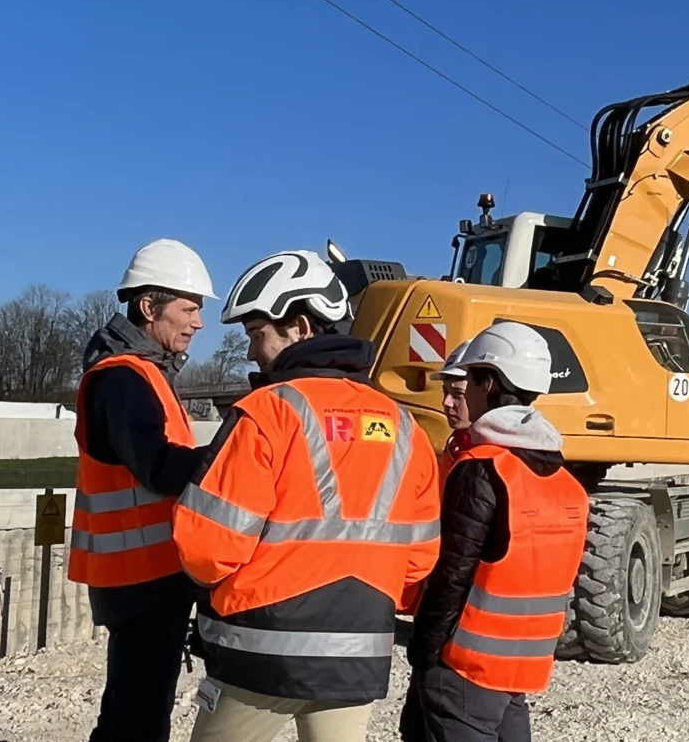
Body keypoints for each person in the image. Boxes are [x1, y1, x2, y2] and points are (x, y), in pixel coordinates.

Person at [174, 249, 442, 742]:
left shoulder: (268, 412)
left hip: (260, 652)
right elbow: (419, 560)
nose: (251, 352)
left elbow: (208, 548)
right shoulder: (403, 424)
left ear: (299, 327)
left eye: (257, 333)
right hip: (358, 653)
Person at [402, 322, 589, 742]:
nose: (455, 397)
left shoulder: (482, 469)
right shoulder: (565, 482)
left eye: (466, 381)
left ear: (488, 382)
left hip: (463, 669)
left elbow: (453, 574)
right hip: (520, 670)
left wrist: (424, 649)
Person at [69, 238, 217, 742]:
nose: (199, 322)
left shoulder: (143, 374)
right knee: (140, 714)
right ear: (149, 307)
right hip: (141, 577)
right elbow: (157, 467)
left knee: (133, 706)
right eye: (189, 309)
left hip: (146, 575)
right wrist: (230, 454)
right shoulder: (124, 379)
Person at [433, 339, 473, 477]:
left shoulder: (492, 453)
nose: (446, 402)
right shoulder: (458, 442)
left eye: (458, 394)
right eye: (445, 392)